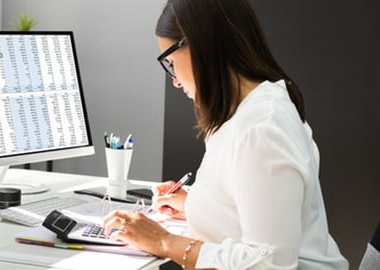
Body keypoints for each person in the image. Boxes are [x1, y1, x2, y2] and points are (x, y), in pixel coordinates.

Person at [103, 0, 349, 269]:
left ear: (198, 45)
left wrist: (163, 241)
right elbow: (256, 208)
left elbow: (269, 263)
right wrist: (196, 205)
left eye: (171, 62)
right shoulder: (248, 110)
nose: (174, 80)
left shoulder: (262, 129)